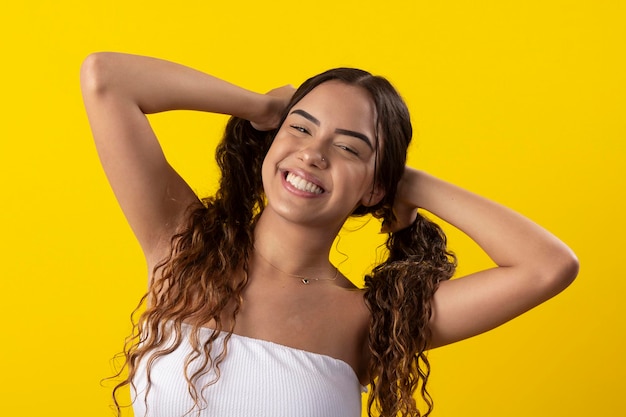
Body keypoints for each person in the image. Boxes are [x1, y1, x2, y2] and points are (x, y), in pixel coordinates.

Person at [80, 52, 579, 417]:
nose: (314, 154)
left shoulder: (370, 318)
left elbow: (547, 265)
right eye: (301, 129)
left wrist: (407, 182)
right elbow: (106, 79)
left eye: (349, 148)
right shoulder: (182, 248)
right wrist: (259, 107)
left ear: (374, 187)